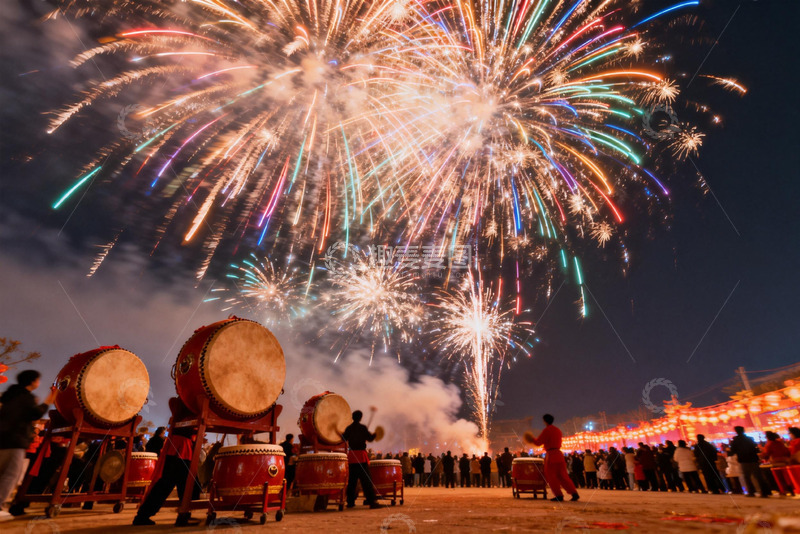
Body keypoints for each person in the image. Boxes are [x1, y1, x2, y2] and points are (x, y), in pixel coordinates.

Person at [0, 370, 56, 522]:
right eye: (38, 380)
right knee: (10, 475)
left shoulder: (9, 396)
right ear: (32, 381)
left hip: (2, 439)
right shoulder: (26, 397)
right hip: (15, 441)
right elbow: (35, 414)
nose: (39, 383)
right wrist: (48, 401)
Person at [133, 428, 201, 525]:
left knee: (167, 484)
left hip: (177, 445)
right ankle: (183, 516)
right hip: (182, 446)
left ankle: (142, 516)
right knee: (186, 484)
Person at [530, 414, 579, 502]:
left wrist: (531, 439)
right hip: (559, 455)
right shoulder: (558, 430)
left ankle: (558, 495)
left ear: (545, 421)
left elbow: (538, 442)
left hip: (551, 455)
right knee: (563, 476)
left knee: (551, 476)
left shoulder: (547, 430)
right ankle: (574, 493)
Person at [341, 410, 381, 508]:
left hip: (352, 457)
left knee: (352, 481)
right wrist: (375, 434)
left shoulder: (349, 428)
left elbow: (344, 439)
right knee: (366, 481)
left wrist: (341, 434)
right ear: (360, 418)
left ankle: (350, 502)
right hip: (361, 458)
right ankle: (372, 502)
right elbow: (370, 438)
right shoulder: (363, 428)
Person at [730, 426, 770, 497]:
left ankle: (751, 492)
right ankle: (765, 492)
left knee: (747, 477)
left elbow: (733, 451)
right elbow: (755, 447)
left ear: (736, 431)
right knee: (758, 476)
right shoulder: (749, 438)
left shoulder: (736, 440)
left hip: (744, 460)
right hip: (753, 458)